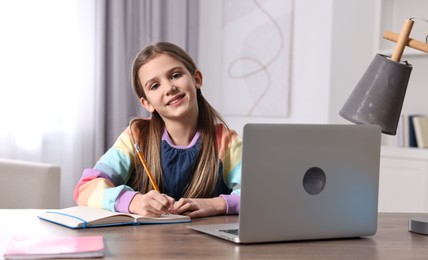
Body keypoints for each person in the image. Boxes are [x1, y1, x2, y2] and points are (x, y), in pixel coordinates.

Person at [73, 41, 242, 218]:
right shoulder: (137, 137)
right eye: (154, 86)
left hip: (207, 244)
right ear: (147, 103)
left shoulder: (226, 142)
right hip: (144, 243)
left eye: (175, 75)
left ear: (196, 79)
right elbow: (85, 187)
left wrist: (218, 204)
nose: (169, 88)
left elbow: (263, 192)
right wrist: (133, 201)